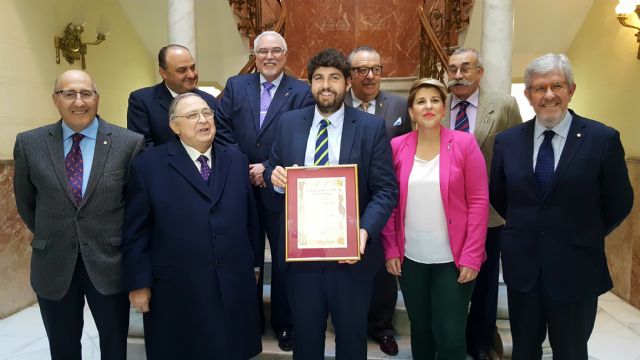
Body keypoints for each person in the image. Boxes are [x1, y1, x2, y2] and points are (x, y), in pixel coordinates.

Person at [490, 53, 633, 359]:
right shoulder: (508, 141)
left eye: (557, 85)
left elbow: (619, 202)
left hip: (575, 269)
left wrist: (584, 232)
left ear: (571, 90)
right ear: (528, 95)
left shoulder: (601, 139)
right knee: (524, 351)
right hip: (523, 270)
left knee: (570, 351)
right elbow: (500, 197)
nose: (549, 95)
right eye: (539, 88)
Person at [268, 48, 398, 359]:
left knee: (352, 340)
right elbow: (275, 173)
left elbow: (385, 190)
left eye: (334, 78)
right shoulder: (287, 124)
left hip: (352, 259)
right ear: (310, 84)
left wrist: (364, 231)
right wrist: (276, 181)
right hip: (302, 259)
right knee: (307, 340)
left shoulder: (370, 127)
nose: (326, 85)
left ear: (347, 83)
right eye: (319, 78)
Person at [13, 70, 144, 360]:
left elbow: (136, 207)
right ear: (55, 100)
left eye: (87, 93)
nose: (79, 101)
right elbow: (27, 203)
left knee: (114, 348)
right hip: (54, 264)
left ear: (97, 98)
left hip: (110, 264)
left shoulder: (129, 143)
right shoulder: (29, 143)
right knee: (63, 349)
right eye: (69, 93)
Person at [123, 93, 262, 359]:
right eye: (192, 115)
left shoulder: (236, 160)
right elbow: (135, 231)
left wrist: (254, 264)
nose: (203, 120)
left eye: (207, 113)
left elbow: (250, 219)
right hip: (177, 288)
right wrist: (138, 284)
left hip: (231, 282)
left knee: (231, 349)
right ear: (174, 126)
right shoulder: (148, 165)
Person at [216, 30, 314, 350]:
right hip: (239, 188)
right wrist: (244, 166)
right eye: (263, 51)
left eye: (275, 51)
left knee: (285, 262)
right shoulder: (235, 85)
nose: (269, 57)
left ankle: (284, 324)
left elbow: (303, 135)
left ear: (286, 55)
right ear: (254, 55)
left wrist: (267, 169)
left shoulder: (301, 91)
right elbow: (223, 129)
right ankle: (251, 321)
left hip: (281, 187)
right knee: (246, 257)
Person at [382, 78, 489, 359]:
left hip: (453, 259)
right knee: (421, 328)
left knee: (451, 333)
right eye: (420, 101)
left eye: (434, 100)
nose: (428, 106)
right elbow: (389, 203)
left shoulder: (465, 144)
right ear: (411, 112)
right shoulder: (396, 147)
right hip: (411, 257)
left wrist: (473, 254)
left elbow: (479, 202)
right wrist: (391, 248)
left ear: (444, 109)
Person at [443, 47, 522, 360]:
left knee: (485, 283)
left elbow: (516, 154)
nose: (458, 75)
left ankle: (477, 343)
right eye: (453, 69)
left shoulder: (503, 105)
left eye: (466, 68)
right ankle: (449, 338)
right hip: (442, 212)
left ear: (480, 72)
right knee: (448, 282)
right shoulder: (438, 103)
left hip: (487, 213)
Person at [344, 45, 412, 356]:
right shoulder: (337, 104)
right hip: (344, 197)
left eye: (376, 69)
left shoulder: (399, 106)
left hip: (386, 198)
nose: (370, 76)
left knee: (385, 270)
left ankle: (383, 327)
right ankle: (349, 322)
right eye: (362, 70)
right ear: (350, 75)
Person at [127, 44, 234, 147]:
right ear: (163, 73)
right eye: (182, 70)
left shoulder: (210, 101)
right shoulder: (142, 101)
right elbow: (142, 148)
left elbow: (222, 142)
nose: (191, 75)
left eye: (193, 68)